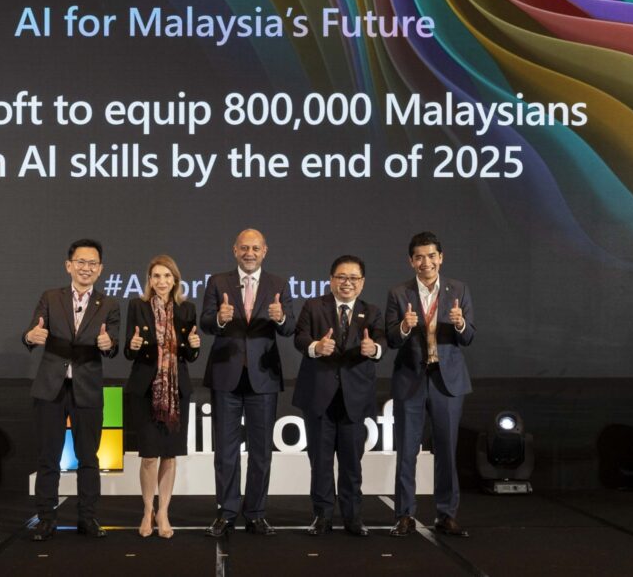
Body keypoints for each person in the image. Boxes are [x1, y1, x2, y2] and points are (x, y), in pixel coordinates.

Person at [23, 238, 120, 541]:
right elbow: (31, 333)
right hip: (51, 389)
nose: (86, 268)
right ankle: (47, 519)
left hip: (87, 389)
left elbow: (112, 345)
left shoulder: (110, 305)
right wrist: (30, 336)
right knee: (47, 457)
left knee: (89, 458)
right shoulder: (51, 298)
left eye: (92, 263)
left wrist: (109, 344)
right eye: (80, 262)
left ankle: (87, 518)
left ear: (100, 269)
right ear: (69, 266)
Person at [201, 228, 295, 537]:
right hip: (226, 376)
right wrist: (220, 318)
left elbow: (289, 328)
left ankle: (255, 513)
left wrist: (280, 318)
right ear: (235, 250)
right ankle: (226, 512)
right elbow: (205, 322)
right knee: (225, 452)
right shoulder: (218, 282)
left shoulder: (278, 284)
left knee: (261, 452)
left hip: (263, 379)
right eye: (244, 248)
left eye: (255, 248)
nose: (249, 253)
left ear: (265, 250)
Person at [385, 232, 475, 538]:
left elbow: (468, 337)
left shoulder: (458, 290)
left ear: (441, 257)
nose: (426, 262)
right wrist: (404, 327)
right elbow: (392, 340)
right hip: (411, 379)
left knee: (447, 450)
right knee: (407, 450)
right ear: (411, 261)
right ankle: (404, 515)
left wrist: (460, 322)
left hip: (447, 381)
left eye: (431, 255)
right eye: (419, 257)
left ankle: (446, 514)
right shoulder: (398, 293)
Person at [293, 255, 385, 536]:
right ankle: (322, 516)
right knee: (320, 462)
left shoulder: (371, 312)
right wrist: (315, 347)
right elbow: (299, 337)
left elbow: (380, 342)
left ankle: (353, 517)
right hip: (319, 396)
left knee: (351, 463)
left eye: (353, 278)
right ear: (331, 279)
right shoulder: (313, 306)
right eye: (341, 277)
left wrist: (375, 350)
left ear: (362, 283)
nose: (347, 283)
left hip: (354, 398)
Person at [124, 255, 201, 539]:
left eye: (167, 276)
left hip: (176, 390)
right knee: (148, 456)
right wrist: (133, 346)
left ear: (175, 280)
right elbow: (129, 352)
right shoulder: (137, 306)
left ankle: (163, 512)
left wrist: (194, 346)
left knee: (169, 455)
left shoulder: (187, 309)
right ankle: (147, 510)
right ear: (149, 280)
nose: (161, 282)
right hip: (145, 389)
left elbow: (191, 356)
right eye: (156, 276)